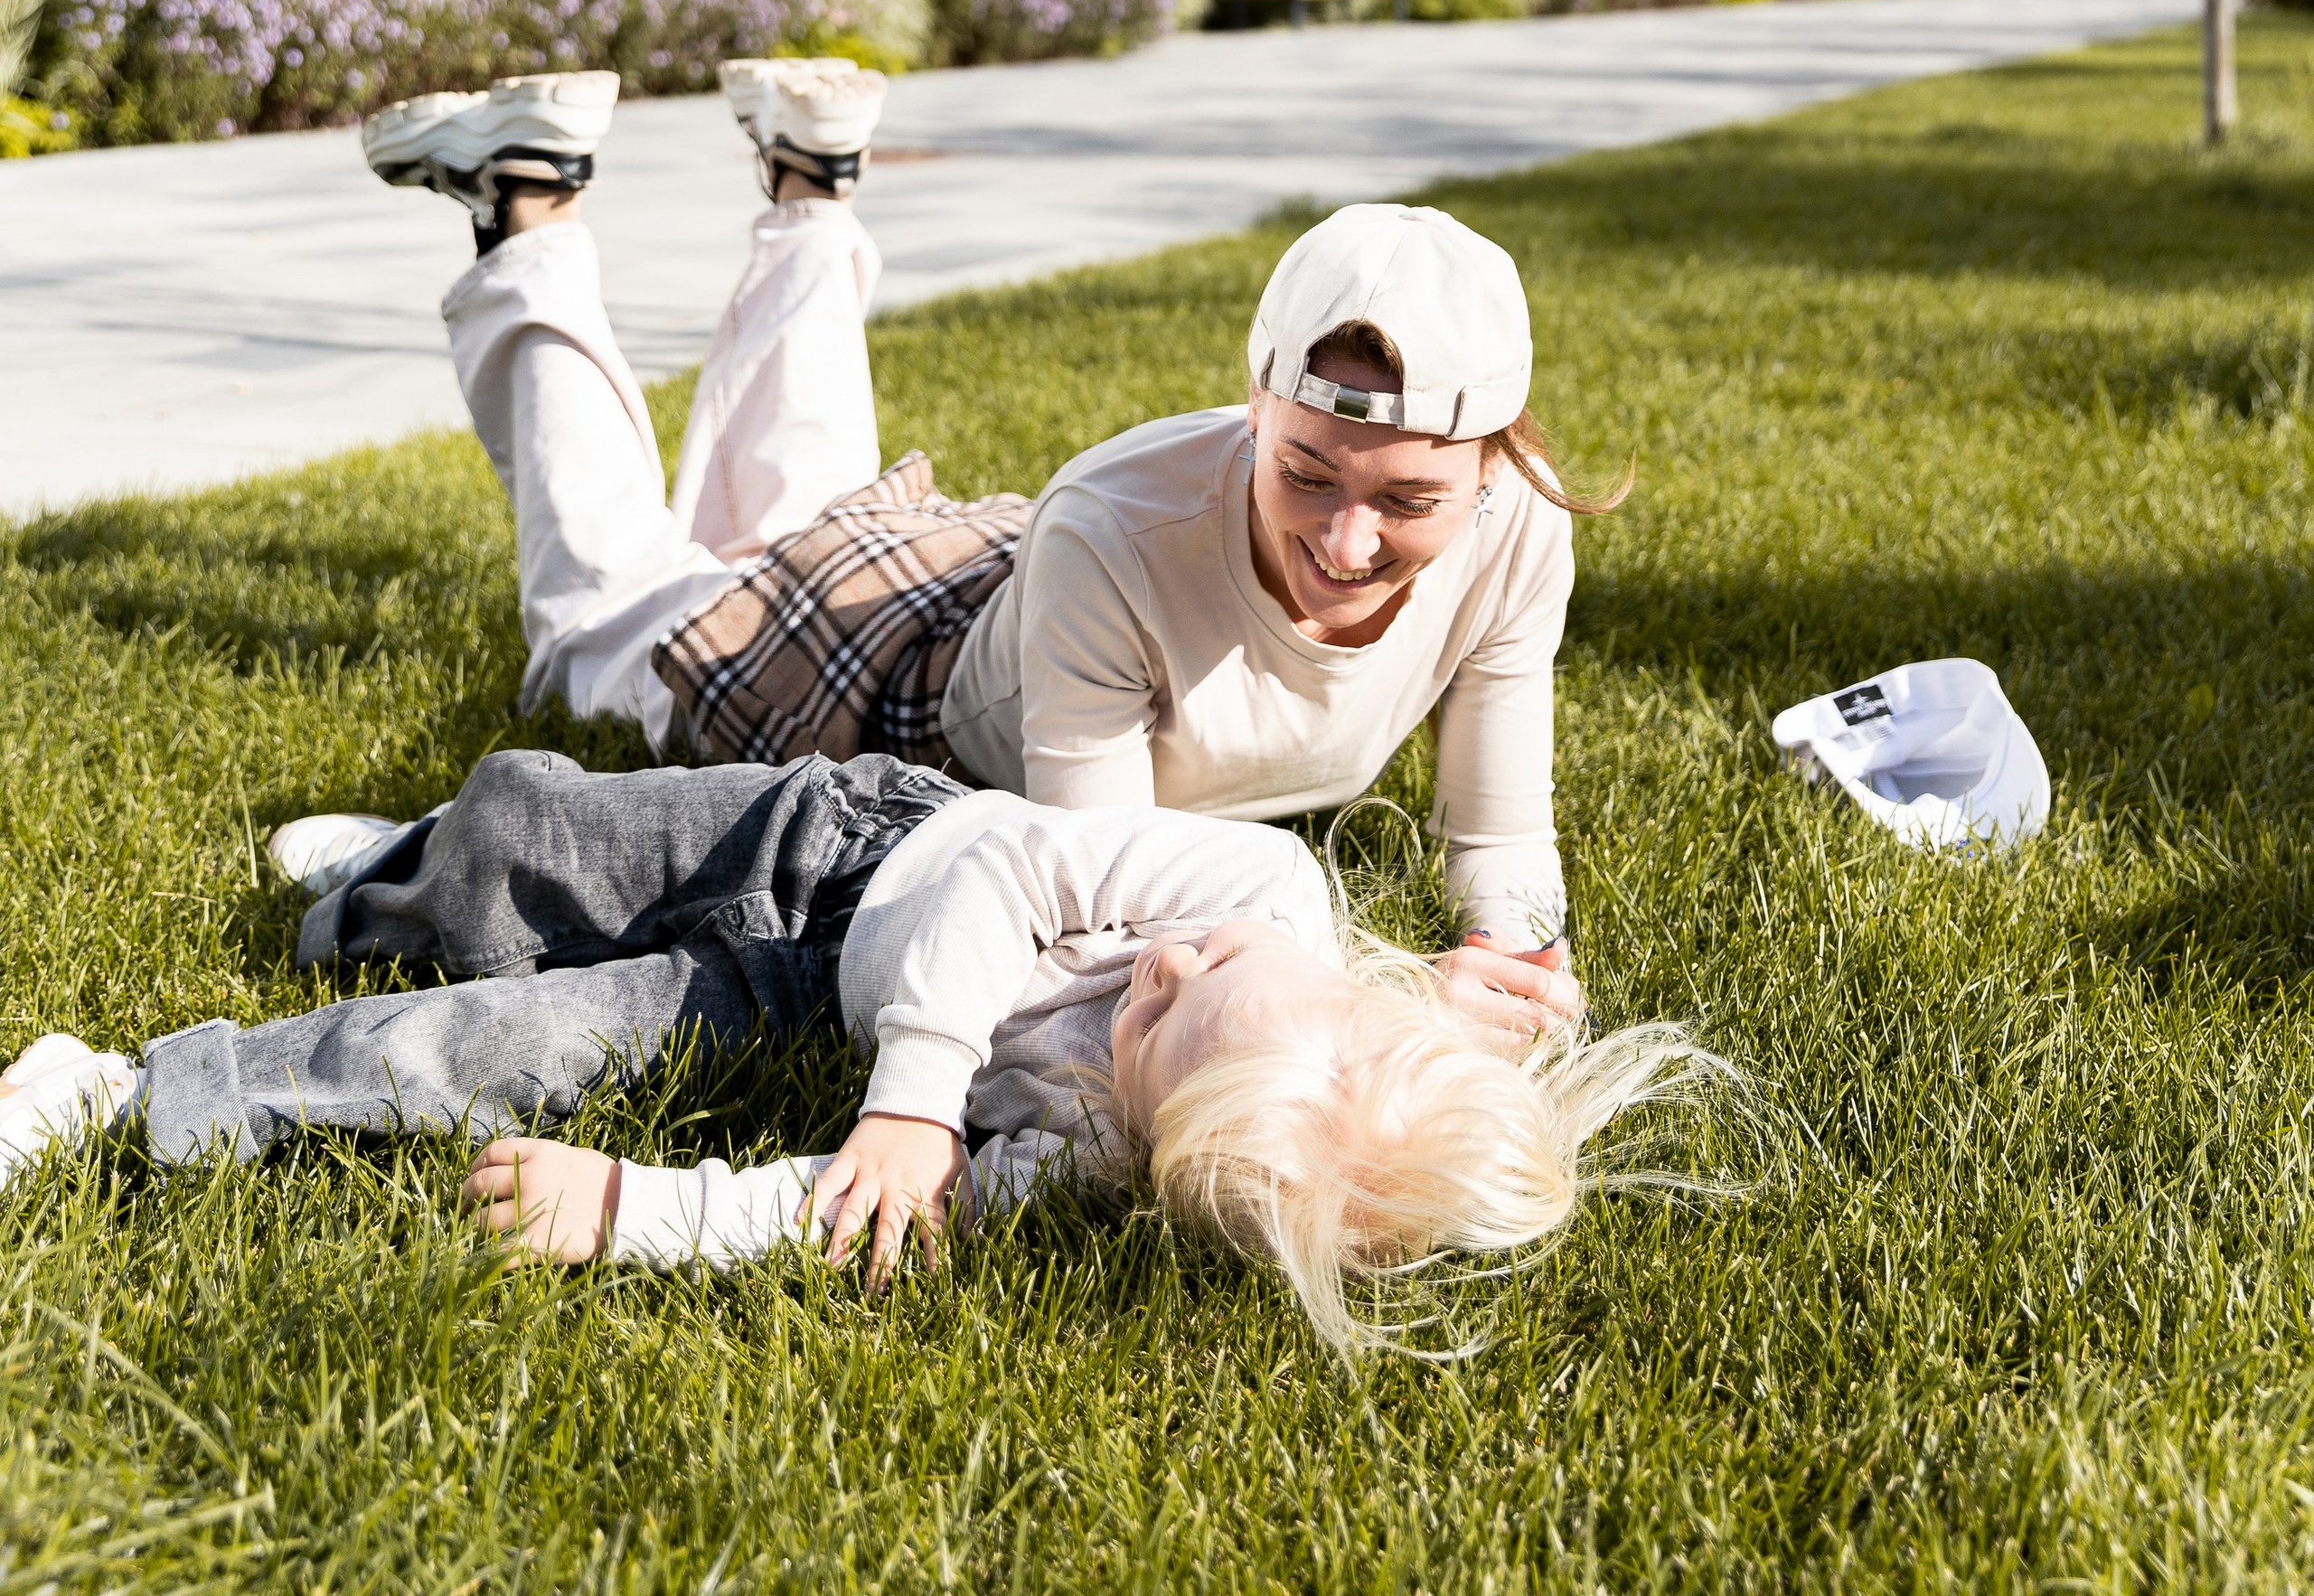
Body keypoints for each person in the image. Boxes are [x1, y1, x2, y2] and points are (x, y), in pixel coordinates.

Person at [341, 58, 1613, 1034]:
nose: (1347, 536)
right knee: (605, 624)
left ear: (1492, 464)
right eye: (1305, 472)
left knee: (794, 517)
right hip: (901, 719)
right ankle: (527, 209)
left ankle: (811, 186)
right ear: (1253, 404)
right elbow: (1101, 909)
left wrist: (1517, 961)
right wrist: (1382, 1004)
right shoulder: (1119, 525)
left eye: (1408, 502)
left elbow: (1498, 841)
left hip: (1005, 594)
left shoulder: (1520, 532)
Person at [0, 747, 1696, 1357]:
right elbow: (1006, 876)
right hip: (839, 840)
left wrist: (636, 1213)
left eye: (1157, 1018)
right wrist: (914, 1103)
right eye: (1211, 969)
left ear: (1156, 1137)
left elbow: (870, 1212)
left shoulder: (1103, 1156)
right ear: (1348, 983)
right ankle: (399, 860)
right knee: (530, 841)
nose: (1161, 965)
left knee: (498, 1043)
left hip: (793, 996)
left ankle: (124, 1089)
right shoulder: (1254, 888)